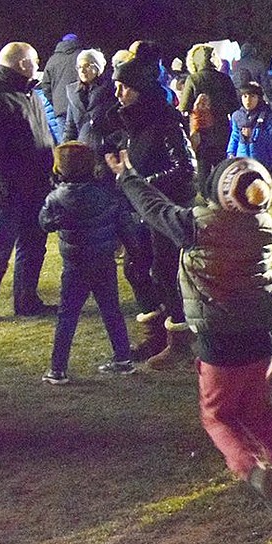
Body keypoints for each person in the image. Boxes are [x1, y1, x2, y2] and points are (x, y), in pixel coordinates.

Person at [107, 152, 272, 518]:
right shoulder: (261, 225)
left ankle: (253, 471)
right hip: (265, 336)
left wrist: (127, 174)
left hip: (222, 340)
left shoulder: (197, 226)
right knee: (258, 412)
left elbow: (154, 208)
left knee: (218, 417)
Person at [106, 48, 198, 367]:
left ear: (142, 89)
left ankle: (180, 338)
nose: (118, 93)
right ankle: (155, 334)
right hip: (140, 210)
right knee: (134, 267)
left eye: (125, 86)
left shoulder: (165, 120)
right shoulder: (129, 121)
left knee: (164, 271)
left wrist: (143, 184)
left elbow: (186, 168)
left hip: (167, 209)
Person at [0, 42, 56, 324]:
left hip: (37, 187)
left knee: (33, 245)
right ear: (21, 64)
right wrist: (6, 187)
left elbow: (42, 136)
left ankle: (27, 300)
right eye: (35, 59)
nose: (38, 63)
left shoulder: (31, 94)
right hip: (6, 192)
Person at [39, 142, 134, 385]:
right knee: (111, 309)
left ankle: (58, 369)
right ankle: (123, 357)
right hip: (103, 261)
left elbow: (45, 223)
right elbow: (121, 221)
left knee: (67, 314)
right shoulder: (105, 193)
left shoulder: (57, 197)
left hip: (76, 265)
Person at [180, 43, 238, 191]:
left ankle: (207, 198)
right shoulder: (224, 78)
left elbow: (184, 107)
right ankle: (223, 193)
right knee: (221, 164)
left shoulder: (193, 79)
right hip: (222, 127)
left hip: (201, 129)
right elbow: (234, 105)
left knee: (203, 166)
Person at [63, 48, 114, 152]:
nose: (82, 71)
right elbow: (70, 126)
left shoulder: (111, 90)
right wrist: (65, 150)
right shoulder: (73, 93)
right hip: (82, 151)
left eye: (87, 66)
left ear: (98, 67)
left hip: (107, 150)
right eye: (79, 67)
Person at [227, 81, 272, 173]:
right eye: (245, 96)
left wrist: (253, 135)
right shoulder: (237, 115)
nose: (248, 100)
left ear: (259, 98)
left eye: (252, 96)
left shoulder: (267, 115)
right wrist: (231, 152)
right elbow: (234, 135)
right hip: (242, 161)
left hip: (261, 161)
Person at [39, 33, 86, 128]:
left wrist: (56, 102)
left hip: (61, 109)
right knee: (84, 141)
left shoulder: (52, 60)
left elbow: (45, 87)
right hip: (81, 107)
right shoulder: (83, 56)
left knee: (65, 141)